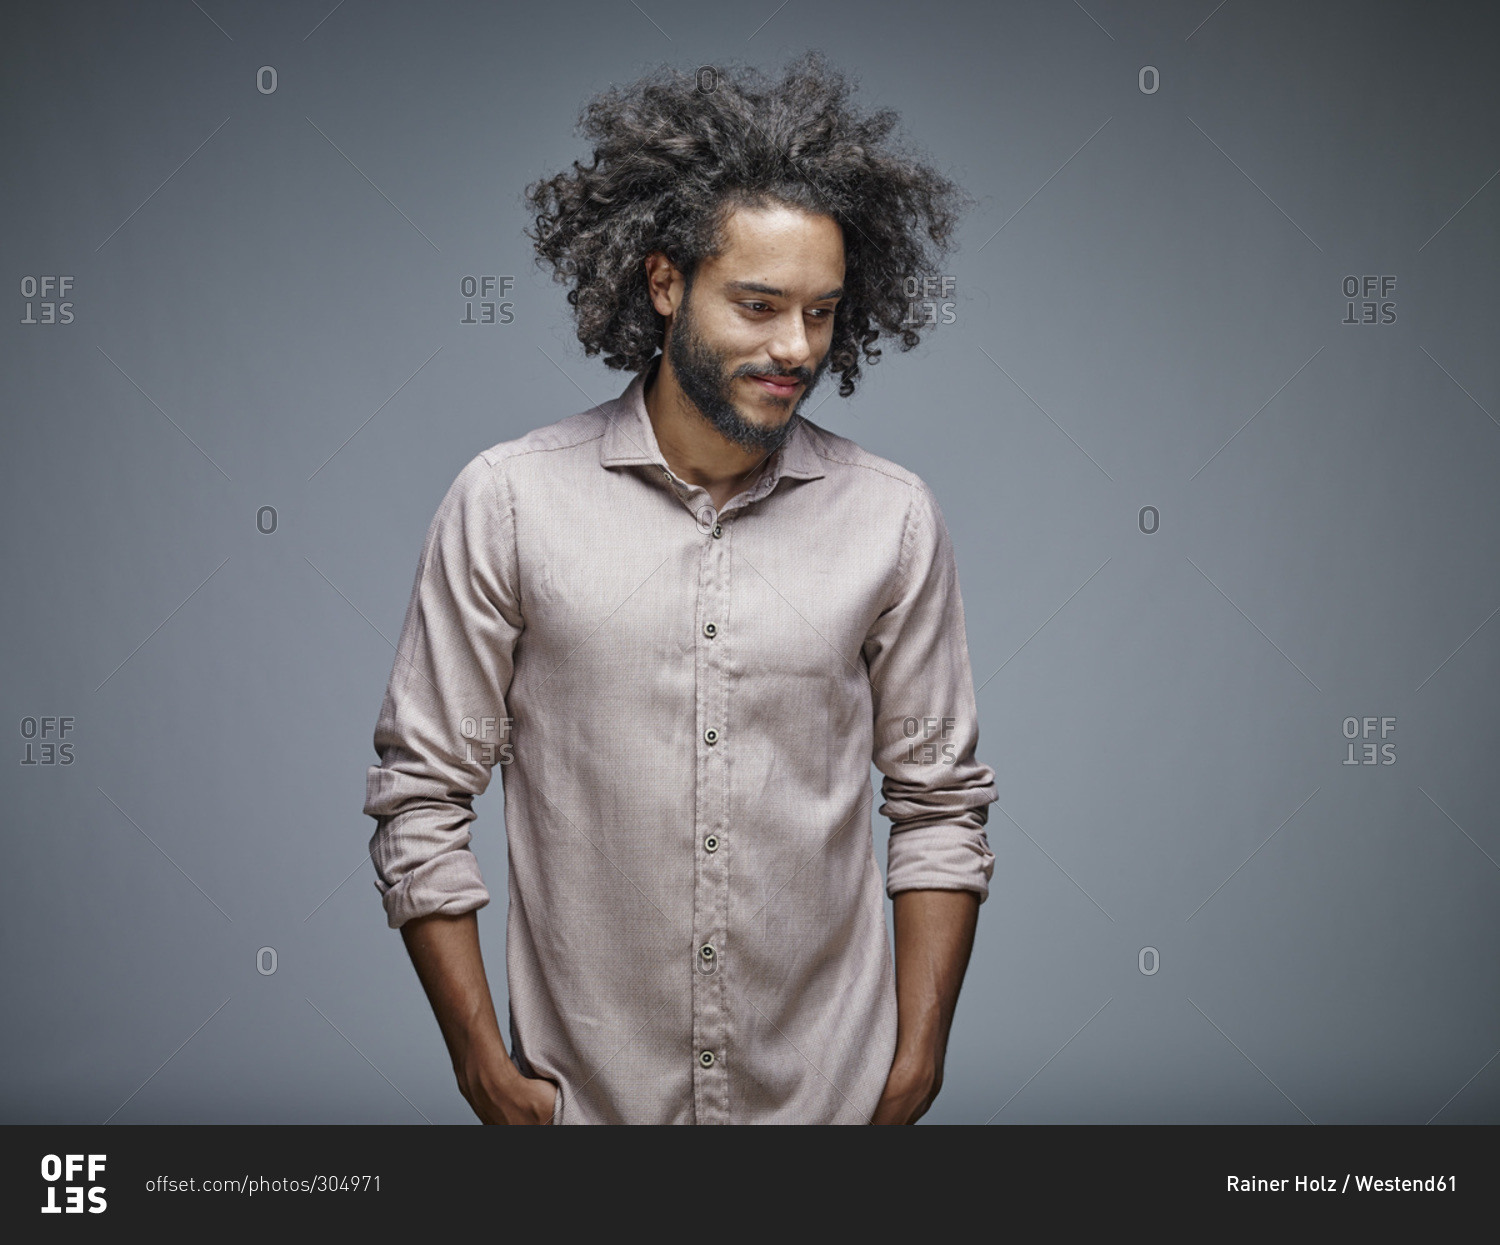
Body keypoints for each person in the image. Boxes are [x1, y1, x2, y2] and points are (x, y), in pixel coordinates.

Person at [363, 52, 997, 1124]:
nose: (794, 347)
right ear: (665, 283)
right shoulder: (510, 504)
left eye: (820, 312)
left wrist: (918, 1059)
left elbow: (940, 802)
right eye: (758, 305)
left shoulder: (888, 519)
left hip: (828, 1106)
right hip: (591, 1111)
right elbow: (422, 795)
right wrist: (480, 1063)